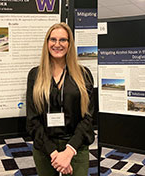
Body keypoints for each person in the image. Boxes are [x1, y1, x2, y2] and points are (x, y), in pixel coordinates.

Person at [26, 22, 95, 176]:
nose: (58, 44)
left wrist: (69, 152)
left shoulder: (84, 75)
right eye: (53, 40)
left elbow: (88, 118)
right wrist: (55, 154)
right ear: (47, 43)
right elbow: (32, 120)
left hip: (76, 145)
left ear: (70, 44)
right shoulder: (35, 75)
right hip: (45, 147)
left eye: (63, 40)